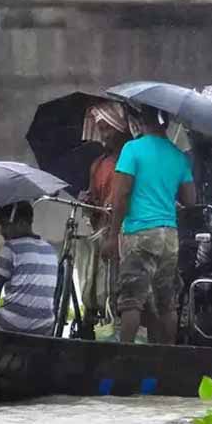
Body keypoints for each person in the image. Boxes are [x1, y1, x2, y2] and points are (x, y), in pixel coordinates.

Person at [103, 105, 197, 344]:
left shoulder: (132, 149)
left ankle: (124, 355)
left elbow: (121, 194)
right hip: (169, 235)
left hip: (140, 232)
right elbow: (190, 199)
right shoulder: (178, 155)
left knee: (131, 300)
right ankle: (167, 358)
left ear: (139, 121)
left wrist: (113, 236)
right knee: (166, 303)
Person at [77, 101, 130, 337]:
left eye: (107, 129)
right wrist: (87, 202)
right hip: (100, 233)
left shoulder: (130, 160)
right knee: (92, 288)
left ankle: (117, 332)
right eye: (100, 129)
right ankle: (92, 326)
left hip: (123, 235)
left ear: (120, 128)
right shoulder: (98, 164)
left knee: (119, 292)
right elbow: (93, 203)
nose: (103, 135)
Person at [0, 202, 58, 335]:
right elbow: (30, 276)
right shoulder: (50, 250)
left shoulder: (10, 248)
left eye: (4, 225)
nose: (1, 231)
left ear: (22, 223)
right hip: (45, 327)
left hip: (13, 324)